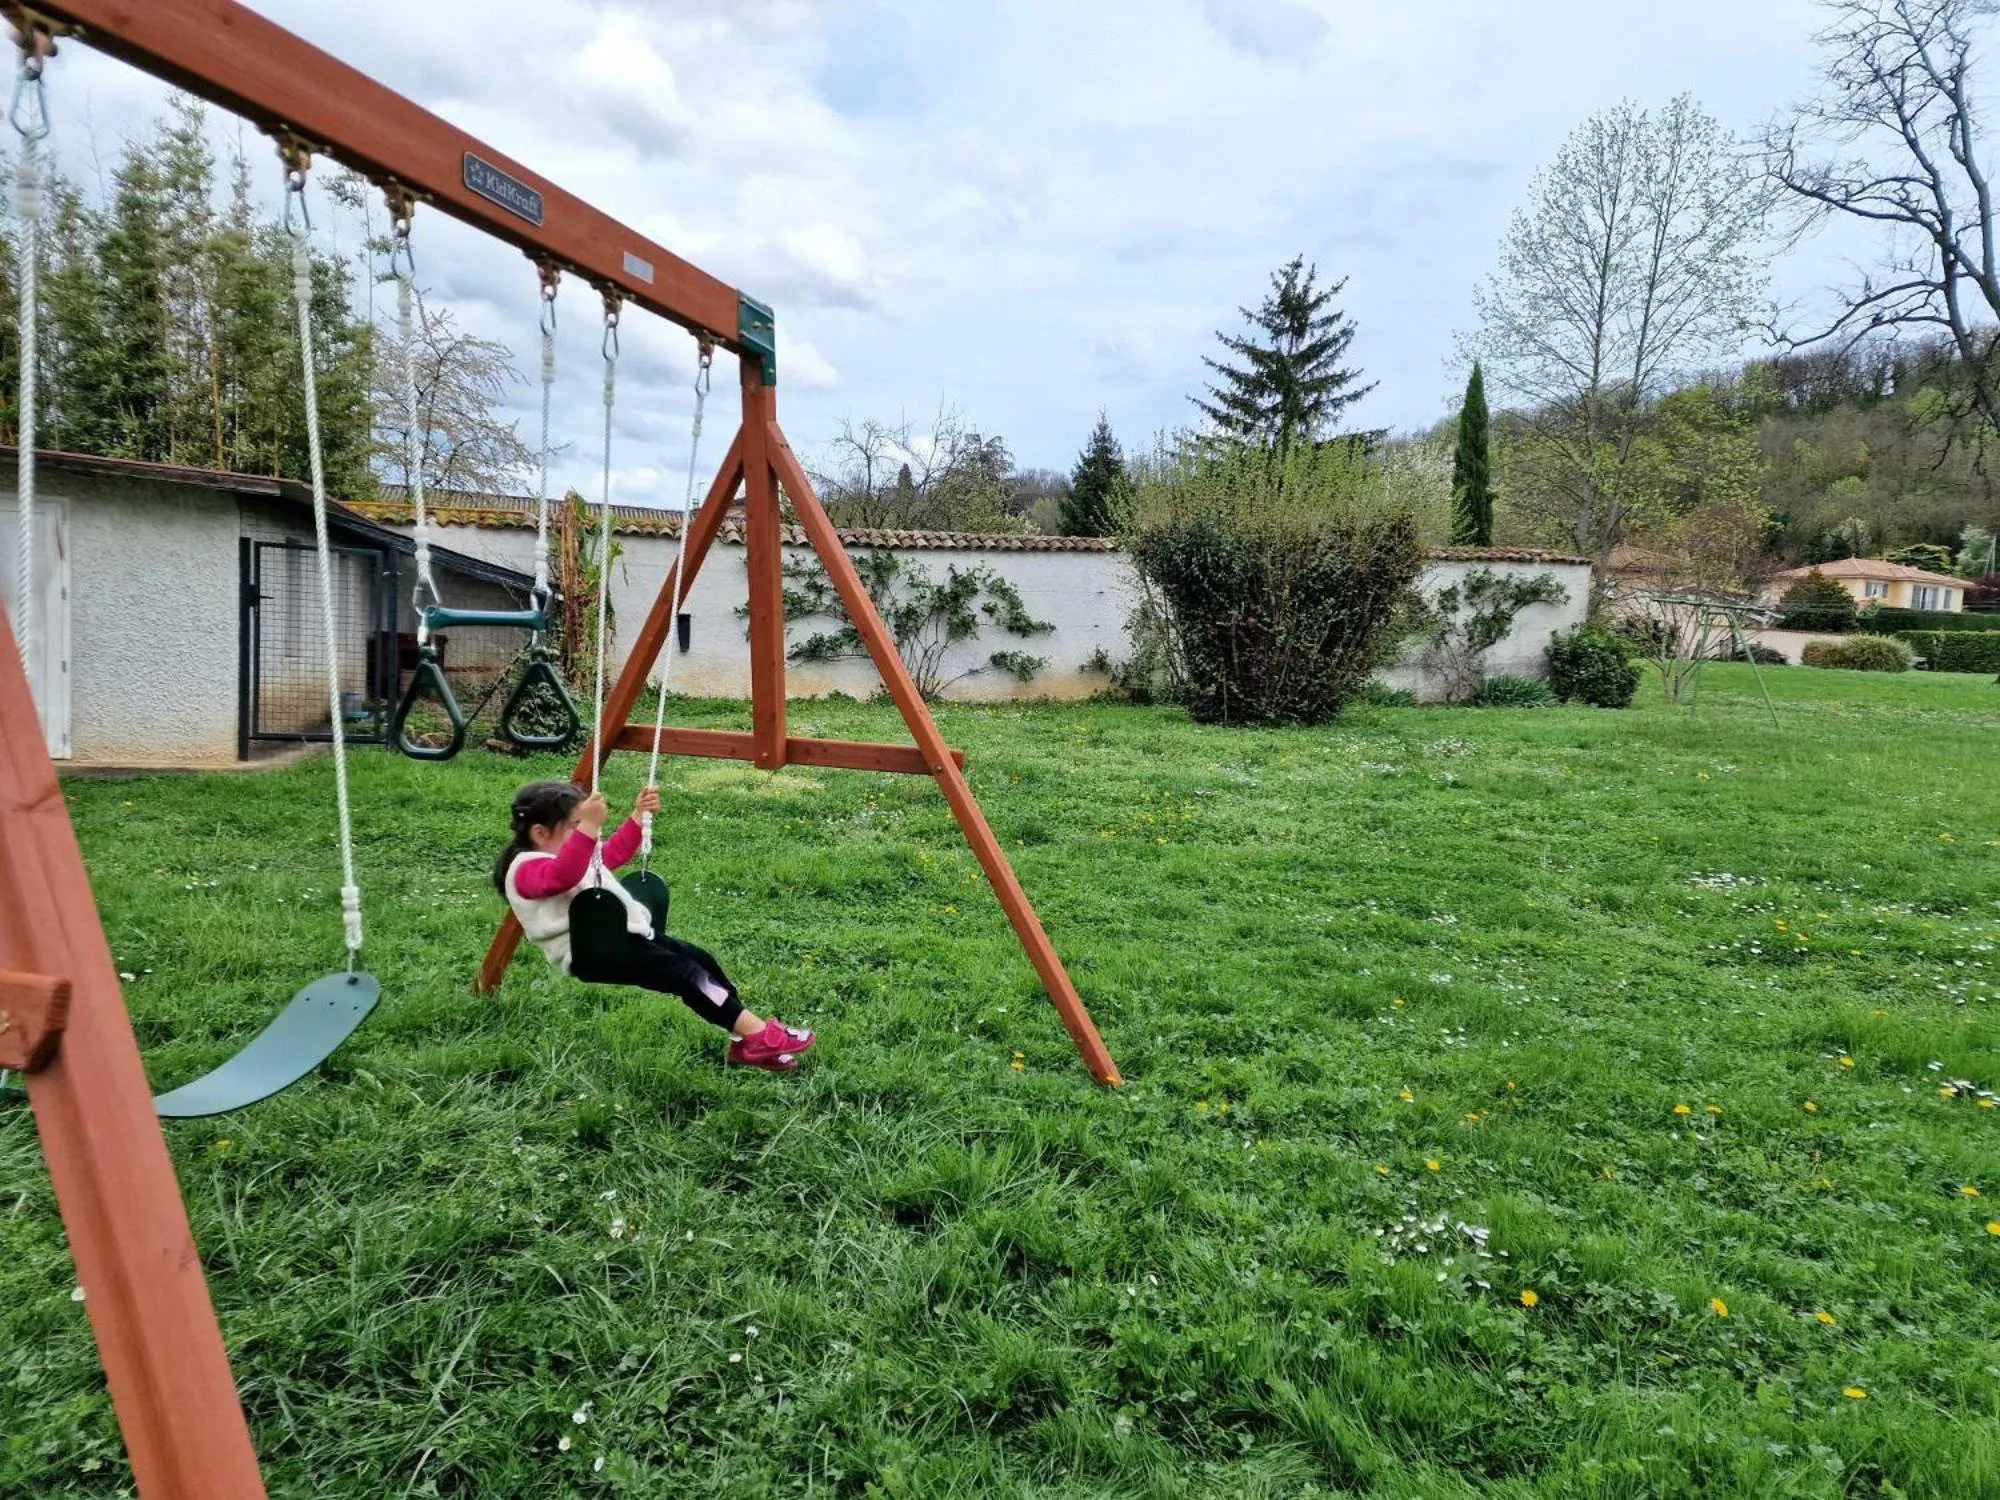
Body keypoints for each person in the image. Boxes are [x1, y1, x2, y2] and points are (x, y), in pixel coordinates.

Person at [494, 780, 814, 1072]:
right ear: (540, 833)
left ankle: (744, 1038)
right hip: (593, 951)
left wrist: (637, 816)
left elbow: (613, 855)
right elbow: (562, 876)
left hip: (626, 939)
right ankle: (759, 1034)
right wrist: (590, 826)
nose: (586, 835)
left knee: (701, 963)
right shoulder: (524, 870)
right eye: (576, 826)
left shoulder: (569, 856)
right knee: (688, 977)